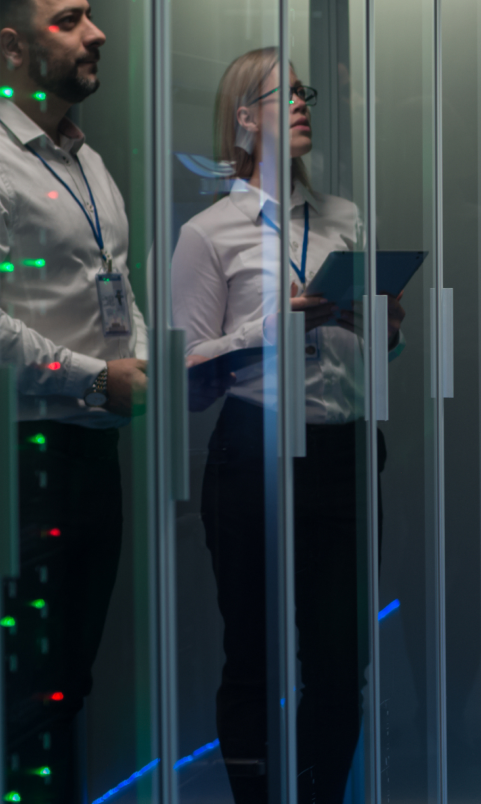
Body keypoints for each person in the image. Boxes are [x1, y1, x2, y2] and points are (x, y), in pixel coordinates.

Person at [0, 0, 145, 802]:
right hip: (21, 463)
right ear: (14, 50)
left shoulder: (85, 162)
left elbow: (113, 292)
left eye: (88, 15)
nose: (97, 34)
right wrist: (98, 379)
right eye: (70, 22)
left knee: (62, 689)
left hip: (88, 455)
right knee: (14, 697)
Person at [169, 47, 404, 804]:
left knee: (340, 663)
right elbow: (187, 373)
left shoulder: (342, 217)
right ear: (244, 118)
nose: (303, 103)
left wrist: (385, 324)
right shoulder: (208, 233)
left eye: (305, 92)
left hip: (343, 450)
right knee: (254, 659)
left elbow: (372, 342)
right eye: (284, 94)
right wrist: (268, 329)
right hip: (255, 457)